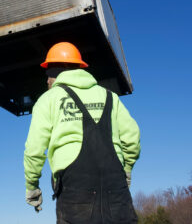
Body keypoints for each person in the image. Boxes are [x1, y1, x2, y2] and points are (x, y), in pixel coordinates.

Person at [24, 42, 141, 223]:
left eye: (48, 73)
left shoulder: (48, 100)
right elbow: (132, 138)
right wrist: (125, 171)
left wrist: (32, 186)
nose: (47, 80)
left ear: (60, 70)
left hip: (74, 188)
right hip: (115, 185)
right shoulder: (110, 97)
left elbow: (34, 149)